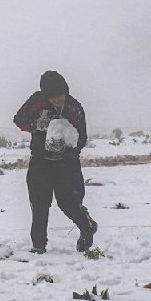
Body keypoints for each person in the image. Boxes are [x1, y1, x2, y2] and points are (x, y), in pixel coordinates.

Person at [12, 70, 96, 254]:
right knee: (39, 203)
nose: (58, 100)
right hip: (40, 161)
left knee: (70, 204)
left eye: (60, 96)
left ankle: (87, 228)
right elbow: (19, 119)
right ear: (46, 96)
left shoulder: (74, 107)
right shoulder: (37, 101)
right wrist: (36, 125)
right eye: (53, 97)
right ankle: (38, 245)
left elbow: (82, 137)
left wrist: (68, 144)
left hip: (67, 164)